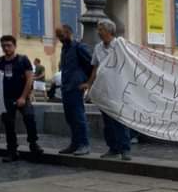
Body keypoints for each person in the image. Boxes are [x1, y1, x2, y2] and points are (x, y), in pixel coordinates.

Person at [82, 19, 131, 161]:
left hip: (118, 89)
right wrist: (89, 84)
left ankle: (125, 149)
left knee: (120, 120)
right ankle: (113, 148)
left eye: (101, 29)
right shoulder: (98, 48)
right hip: (104, 90)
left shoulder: (120, 45)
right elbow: (95, 67)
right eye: (98, 29)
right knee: (107, 122)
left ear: (109, 31)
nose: (98, 32)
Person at [0, 35, 43, 162]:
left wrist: (23, 97)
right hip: (6, 98)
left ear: (14, 46)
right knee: (9, 125)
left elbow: (29, 78)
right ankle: (12, 150)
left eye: (9, 45)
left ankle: (33, 144)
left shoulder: (22, 60)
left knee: (29, 117)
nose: (6, 48)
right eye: (3, 46)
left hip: (22, 96)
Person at [55, 24, 92, 155]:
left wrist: (87, 82)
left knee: (78, 116)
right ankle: (75, 144)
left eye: (61, 35)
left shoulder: (79, 47)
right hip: (66, 87)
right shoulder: (64, 49)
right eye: (58, 36)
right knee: (70, 118)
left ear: (69, 33)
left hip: (76, 87)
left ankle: (84, 144)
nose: (59, 38)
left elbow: (92, 65)